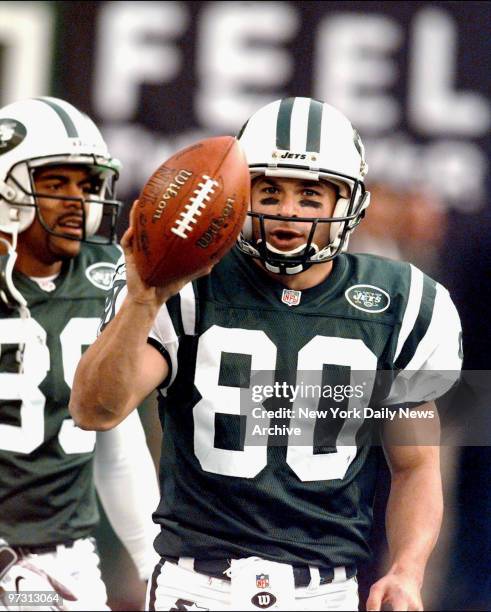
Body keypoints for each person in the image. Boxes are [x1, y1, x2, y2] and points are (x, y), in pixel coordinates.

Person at [70, 97, 462, 611]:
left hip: (327, 589)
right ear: (237, 193)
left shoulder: (404, 302)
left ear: (348, 203)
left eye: (310, 193)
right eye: (270, 189)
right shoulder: (189, 282)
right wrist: (145, 298)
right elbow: (95, 409)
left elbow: (414, 466)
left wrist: (408, 570)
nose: (288, 210)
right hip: (197, 585)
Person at [0, 97, 160, 610]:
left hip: (67, 558)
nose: (78, 200)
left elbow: (115, 442)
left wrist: (152, 565)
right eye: (57, 183)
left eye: (88, 185)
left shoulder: (110, 273)